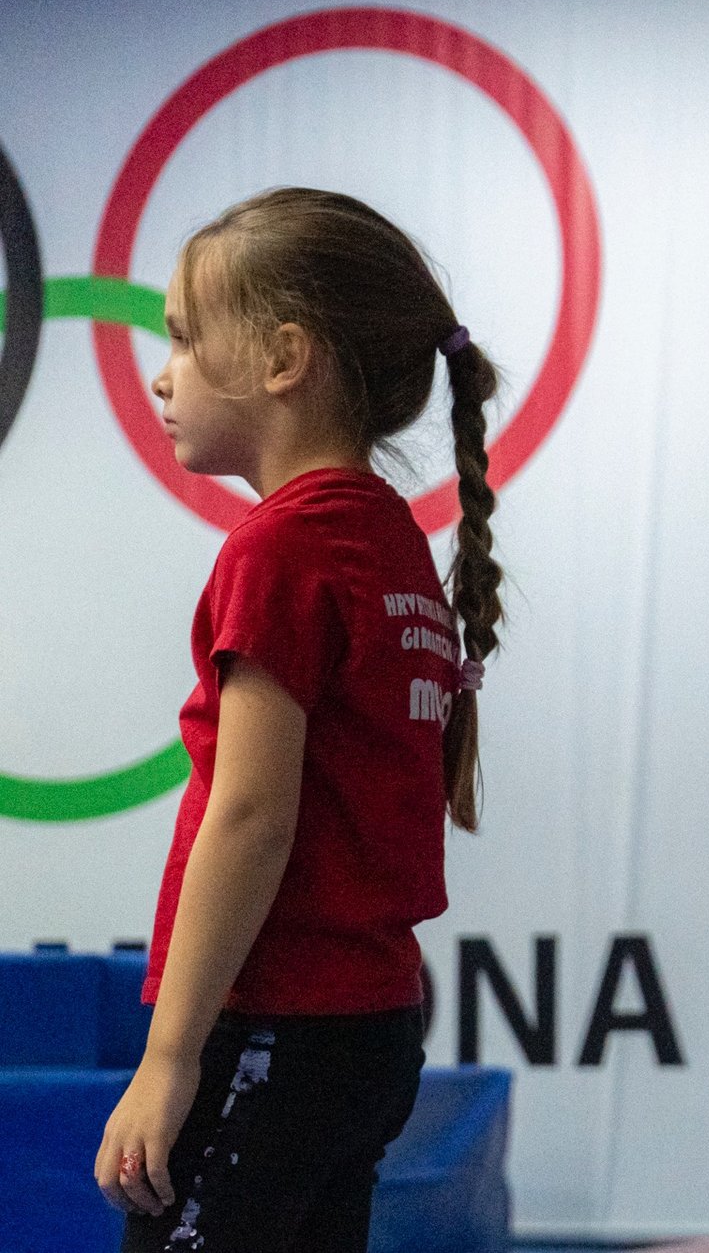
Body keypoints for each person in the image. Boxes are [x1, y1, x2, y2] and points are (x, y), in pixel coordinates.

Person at [94, 187, 504, 1252]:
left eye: (184, 337)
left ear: (284, 357)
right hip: (369, 1031)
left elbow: (251, 818)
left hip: (275, 1025)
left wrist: (171, 1056)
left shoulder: (282, 548)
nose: (161, 371)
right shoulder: (390, 541)